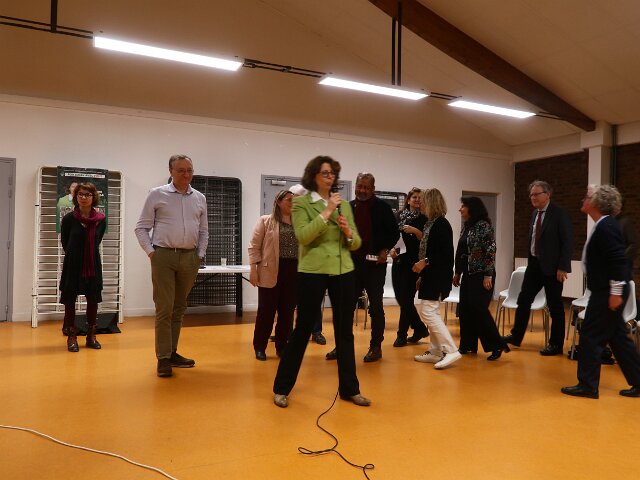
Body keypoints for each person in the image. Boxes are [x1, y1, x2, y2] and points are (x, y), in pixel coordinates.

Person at [273, 155, 370, 408]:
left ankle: (350, 389)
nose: (330, 177)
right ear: (313, 176)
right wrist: (326, 212)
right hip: (312, 272)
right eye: (325, 173)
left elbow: (356, 243)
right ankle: (282, 388)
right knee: (303, 328)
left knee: (344, 331)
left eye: (332, 173)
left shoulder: (344, 205)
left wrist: (348, 232)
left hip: (343, 271)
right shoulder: (301, 204)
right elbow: (304, 236)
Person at [561, 185, 640, 398]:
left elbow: (618, 261)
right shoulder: (604, 224)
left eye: (587, 197)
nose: (583, 200)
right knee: (618, 338)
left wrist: (615, 293)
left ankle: (588, 385)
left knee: (590, 336)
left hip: (607, 291)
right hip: (606, 290)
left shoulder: (607, 226)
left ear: (597, 202)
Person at [135, 154, 209, 378]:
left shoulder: (199, 198)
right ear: (171, 171)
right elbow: (141, 227)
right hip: (164, 256)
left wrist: (199, 255)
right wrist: (152, 253)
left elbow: (204, 230)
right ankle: (163, 358)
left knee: (179, 308)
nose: (186, 174)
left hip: (189, 258)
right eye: (181, 170)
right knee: (164, 309)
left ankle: (172, 352)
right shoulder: (157, 194)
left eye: (190, 170)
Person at [326, 172, 399, 363]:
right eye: (360, 186)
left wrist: (385, 249)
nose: (362, 190)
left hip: (374, 265)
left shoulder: (383, 208)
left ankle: (376, 347)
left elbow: (394, 233)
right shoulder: (347, 207)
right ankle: (342, 346)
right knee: (346, 308)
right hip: (351, 265)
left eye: (366, 187)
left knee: (375, 308)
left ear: (373, 189)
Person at [503, 180, 573, 355]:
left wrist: (563, 267)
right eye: (531, 195)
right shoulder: (535, 214)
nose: (532, 197)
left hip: (553, 268)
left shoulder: (559, 214)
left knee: (555, 306)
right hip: (534, 265)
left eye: (536, 194)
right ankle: (516, 336)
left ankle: (556, 344)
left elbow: (567, 242)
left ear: (547, 195)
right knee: (523, 299)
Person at [453, 196, 509, 360]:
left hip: (482, 274)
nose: (460, 209)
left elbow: (491, 251)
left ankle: (496, 345)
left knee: (479, 310)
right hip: (468, 273)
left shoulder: (483, 226)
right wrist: (458, 272)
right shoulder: (467, 226)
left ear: (472, 208)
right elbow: (461, 251)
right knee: (465, 309)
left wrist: (488, 274)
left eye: (463, 206)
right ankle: (467, 345)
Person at [412, 188, 460, 369]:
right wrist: (422, 275)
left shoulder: (441, 224)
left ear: (431, 203)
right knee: (431, 311)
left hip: (438, 276)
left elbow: (445, 255)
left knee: (428, 312)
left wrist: (424, 263)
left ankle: (451, 350)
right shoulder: (431, 223)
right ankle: (435, 351)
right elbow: (430, 251)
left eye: (424, 201)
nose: (421, 205)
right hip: (430, 275)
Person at [248, 190, 298, 361]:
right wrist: (253, 270)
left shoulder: (299, 223)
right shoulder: (266, 221)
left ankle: (282, 347)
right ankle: (260, 347)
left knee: (287, 313)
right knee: (266, 312)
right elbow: (254, 247)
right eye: (289, 200)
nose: (293, 203)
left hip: (293, 271)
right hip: (270, 271)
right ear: (279, 201)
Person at [59, 182, 106, 352]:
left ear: (93, 197)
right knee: (70, 299)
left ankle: (91, 336)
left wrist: (87, 255)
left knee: (92, 299)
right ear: (76, 197)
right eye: (80, 194)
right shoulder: (68, 219)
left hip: (92, 264)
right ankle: (72, 336)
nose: (83, 197)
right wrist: (77, 254)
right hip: (73, 263)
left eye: (87, 194)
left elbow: (97, 241)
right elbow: (65, 242)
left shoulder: (101, 220)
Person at [390, 187, 430, 347]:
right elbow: (393, 236)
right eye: (414, 197)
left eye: (420, 198)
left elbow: (426, 240)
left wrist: (415, 231)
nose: (417, 200)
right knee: (401, 298)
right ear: (408, 200)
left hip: (413, 264)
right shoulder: (399, 216)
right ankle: (420, 328)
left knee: (406, 299)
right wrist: (392, 249)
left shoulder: (424, 218)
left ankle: (401, 335)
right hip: (398, 261)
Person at [289, 184, 326, 346]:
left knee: (313, 301)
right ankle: (286, 331)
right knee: (288, 301)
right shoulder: (285, 216)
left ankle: (316, 331)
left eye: (297, 198)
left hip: (310, 265)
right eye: (292, 198)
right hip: (290, 265)